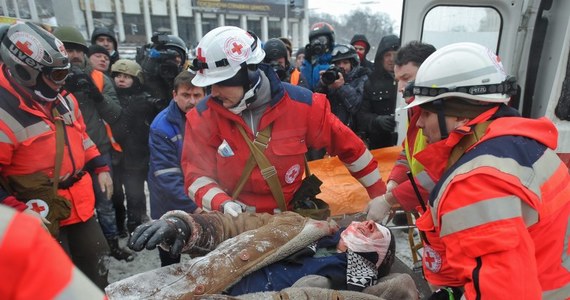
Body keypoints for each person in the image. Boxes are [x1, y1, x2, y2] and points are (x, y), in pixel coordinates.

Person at [402, 42, 569, 299]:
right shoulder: (524, 147)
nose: (420, 123)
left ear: (460, 114)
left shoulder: (476, 183)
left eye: (426, 111)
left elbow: (503, 293)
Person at [182, 26, 386, 216]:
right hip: (233, 222)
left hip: (290, 221)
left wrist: (379, 195)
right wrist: (222, 203)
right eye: (209, 85)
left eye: (220, 83)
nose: (213, 93)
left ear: (250, 73)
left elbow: (352, 150)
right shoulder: (202, 117)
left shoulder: (304, 106)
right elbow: (195, 176)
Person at [0, 22, 110, 288]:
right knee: (56, 280)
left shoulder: (62, 98)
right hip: (35, 211)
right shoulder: (4, 113)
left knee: (97, 265)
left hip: (79, 203)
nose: (63, 81)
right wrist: (16, 211)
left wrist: (101, 165)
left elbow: (81, 136)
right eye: (57, 75)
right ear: (26, 71)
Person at [105, 211, 419, 299]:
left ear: (378, 257)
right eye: (368, 222)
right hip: (180, 286)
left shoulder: (359, 270)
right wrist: (187, 227)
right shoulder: (298, 226)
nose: (368, 224)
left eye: (376, 232)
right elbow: (236, 224)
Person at [53, 26, 133, 262]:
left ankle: (111, 246)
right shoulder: (49, 77)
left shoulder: (99, 77)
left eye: (79, 50)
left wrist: (96, 95)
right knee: (68, 206)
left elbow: (116, 114)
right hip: (63, 154)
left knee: (105, 202)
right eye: (68, 49)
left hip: (97, 150)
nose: (75, 55)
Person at [367, 41, 436, 226]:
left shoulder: (443, 117)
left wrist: (390, 198)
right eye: (398, 80)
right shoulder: (415, 111)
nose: (400, 88)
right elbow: (408, 152)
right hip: (429, 207)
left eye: (407, 78)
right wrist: (393, 184)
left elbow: (437, 174)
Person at [148, 70, 205, 267]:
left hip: (200, 196)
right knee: (171, 259)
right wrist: (196, 207)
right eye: (186, 95)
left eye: (197, 95)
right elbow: (167, 177)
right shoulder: (162, 126)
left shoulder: (209, 117)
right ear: (174, 95)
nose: (192, 101)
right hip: (169, 204)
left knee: (204, 258)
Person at [0, 204, 106, 298]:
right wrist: (18, 207)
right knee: (58, 272)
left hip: (79, 210)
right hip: (39, 214)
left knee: (97, 256)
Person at [110, 59, 160, 234]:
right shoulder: (111, 97)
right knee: (120, 194)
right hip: (118, 153)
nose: (121, 80)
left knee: (135, 193)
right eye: (118, 76)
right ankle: (125, 224)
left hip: (138, 153)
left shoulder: (144, 99)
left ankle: (136, 223)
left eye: (127, 77)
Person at [357, 35, 400, 149]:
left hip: (405, 141)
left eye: (395, 54)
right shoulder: (371, 82)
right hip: (380, 145)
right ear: (381, 58)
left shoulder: (409, 79)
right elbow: (361, 116)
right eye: (387, 55)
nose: (391, 59)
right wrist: (377, 121)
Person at [316, 44, 368, 131]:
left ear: (352, 64)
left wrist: (341, 87)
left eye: (345, 62)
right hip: (332, 130)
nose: (341, 66)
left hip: (353, 132)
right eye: (338, 63)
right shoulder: (332, 79)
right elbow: (318, 107)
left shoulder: (362, 78)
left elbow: (356, 106)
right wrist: (322, 84)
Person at [136, 32, 188, 110]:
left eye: (178, 56)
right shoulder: (150, 77)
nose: (176, 60)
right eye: (171, 57)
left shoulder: (187, 78)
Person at [301, 22, 335, 91]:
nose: (318, 43)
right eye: (314, 41)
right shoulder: (311, 64)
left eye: (322, 40)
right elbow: (305, 86)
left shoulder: (337, 59)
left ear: (330, 41)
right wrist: (307, 61)